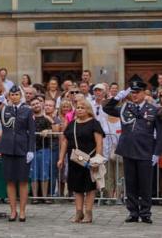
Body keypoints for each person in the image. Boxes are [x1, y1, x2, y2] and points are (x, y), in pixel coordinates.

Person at [103, 81, 162, 224]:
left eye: (137, 92)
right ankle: (133, 212)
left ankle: (145, 213)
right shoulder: (125, 107)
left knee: (145, 184)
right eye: (132, 93)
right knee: (131, 184)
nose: (134, 95)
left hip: (145, 151)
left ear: (144, 93)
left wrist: (157, 153)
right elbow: (107, 108)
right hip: (128, 150)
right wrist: (118, 97)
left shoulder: (153, 109)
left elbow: (160, 134)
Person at [0, 85, 35, 222]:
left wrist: (31, 149)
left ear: (21, 96)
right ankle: (13, 211)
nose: (14, 97)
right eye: (12, 95)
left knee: (23, 181)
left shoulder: (27, 110)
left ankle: (22, 211)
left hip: (22, 149)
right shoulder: (4, 109)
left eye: (16, 95)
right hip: (7, 148)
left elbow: (31, 132)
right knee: (9, 181)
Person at [57, 96, 104, 223]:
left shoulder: (94, 123)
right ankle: (79, 212)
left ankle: (88, 212)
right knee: (76, 187)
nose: (79, 109)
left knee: (89, 187)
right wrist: (61, 158)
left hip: (90, 160)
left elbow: (99, 143)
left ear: (88, 109)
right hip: (74, 160)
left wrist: (98, 159)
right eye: (77, 107)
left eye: (82, 107)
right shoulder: (72, 124)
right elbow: (65, 142)